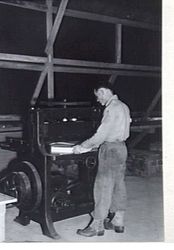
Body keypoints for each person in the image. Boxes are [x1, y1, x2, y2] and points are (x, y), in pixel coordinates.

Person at [73, 83, 131, 237]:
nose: (98, 100)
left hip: (110, 149)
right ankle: (118, 221)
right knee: (119, 184)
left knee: (103, 187)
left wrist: (83, 146)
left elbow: (102, 133)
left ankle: (96, 225)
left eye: (98, 95)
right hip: (122, 148)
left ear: (103, 92)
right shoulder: (124, 106)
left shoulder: (111, 108)